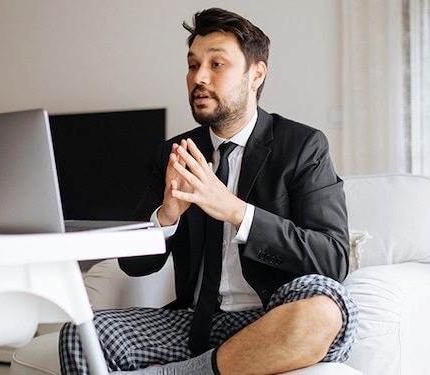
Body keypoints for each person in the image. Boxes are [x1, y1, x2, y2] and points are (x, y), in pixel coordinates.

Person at [59, 7, 358, 375]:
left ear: (255, 75)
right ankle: (213, 365)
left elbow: (333, 260)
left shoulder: (302, 146)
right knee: (82, 332)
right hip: (197, 324)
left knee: (326, 307)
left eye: (217, 64)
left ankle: (183, 371)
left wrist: (235, 210)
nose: (199, 77)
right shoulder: (176, 153)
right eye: (192, 65)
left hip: (273, 316)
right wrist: (165, 217)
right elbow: (134, 264)